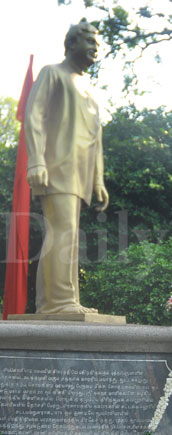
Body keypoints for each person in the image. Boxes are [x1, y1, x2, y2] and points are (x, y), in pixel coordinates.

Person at [24, 19, 109, 314]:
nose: (95, 49)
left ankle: (53, 302)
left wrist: (98, 180)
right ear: (71, 43)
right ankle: (60, 302)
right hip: (56, 166)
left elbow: (96, 138)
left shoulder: (89, 88)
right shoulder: (52, 74)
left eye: (97, 45)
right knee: (62, 230)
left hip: (80, 174)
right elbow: (33, 115)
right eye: (89, 43)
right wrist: (35, 160)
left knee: (66, 233)